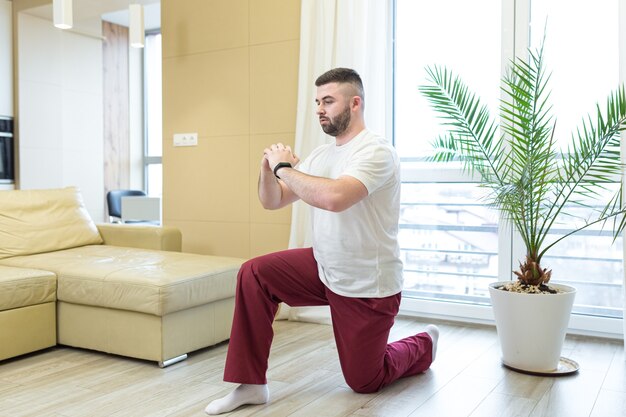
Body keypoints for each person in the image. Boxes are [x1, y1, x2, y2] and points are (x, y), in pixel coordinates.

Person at [204, 68, 439, 415]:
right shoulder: (321, 155)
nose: (319, 109)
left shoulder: (376, 151)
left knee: (364, 381)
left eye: (328, 101)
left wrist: (284, 168)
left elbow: (335, 198)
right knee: (254, 273)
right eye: (317, 102)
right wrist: (267, 167)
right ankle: (251, 385)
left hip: (367, 284)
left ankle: (424, 344)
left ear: (355, 103)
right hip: (322, 266)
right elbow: (272, 201)